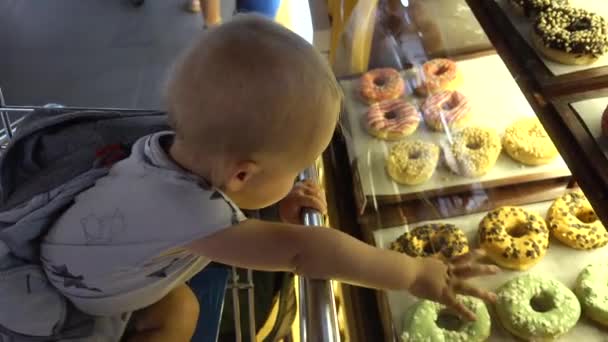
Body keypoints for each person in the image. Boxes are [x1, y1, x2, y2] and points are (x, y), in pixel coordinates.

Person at [40, 14, 498, 342]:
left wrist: (264, 208)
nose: (302, 174)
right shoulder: (192, 212)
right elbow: (305, 252)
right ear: (243, 172)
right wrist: (414, 272)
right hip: (72, 310)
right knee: (180, 316)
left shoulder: (164, 148)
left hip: (89, 265)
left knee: (181, 304)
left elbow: (215, 202)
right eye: (297, 166)